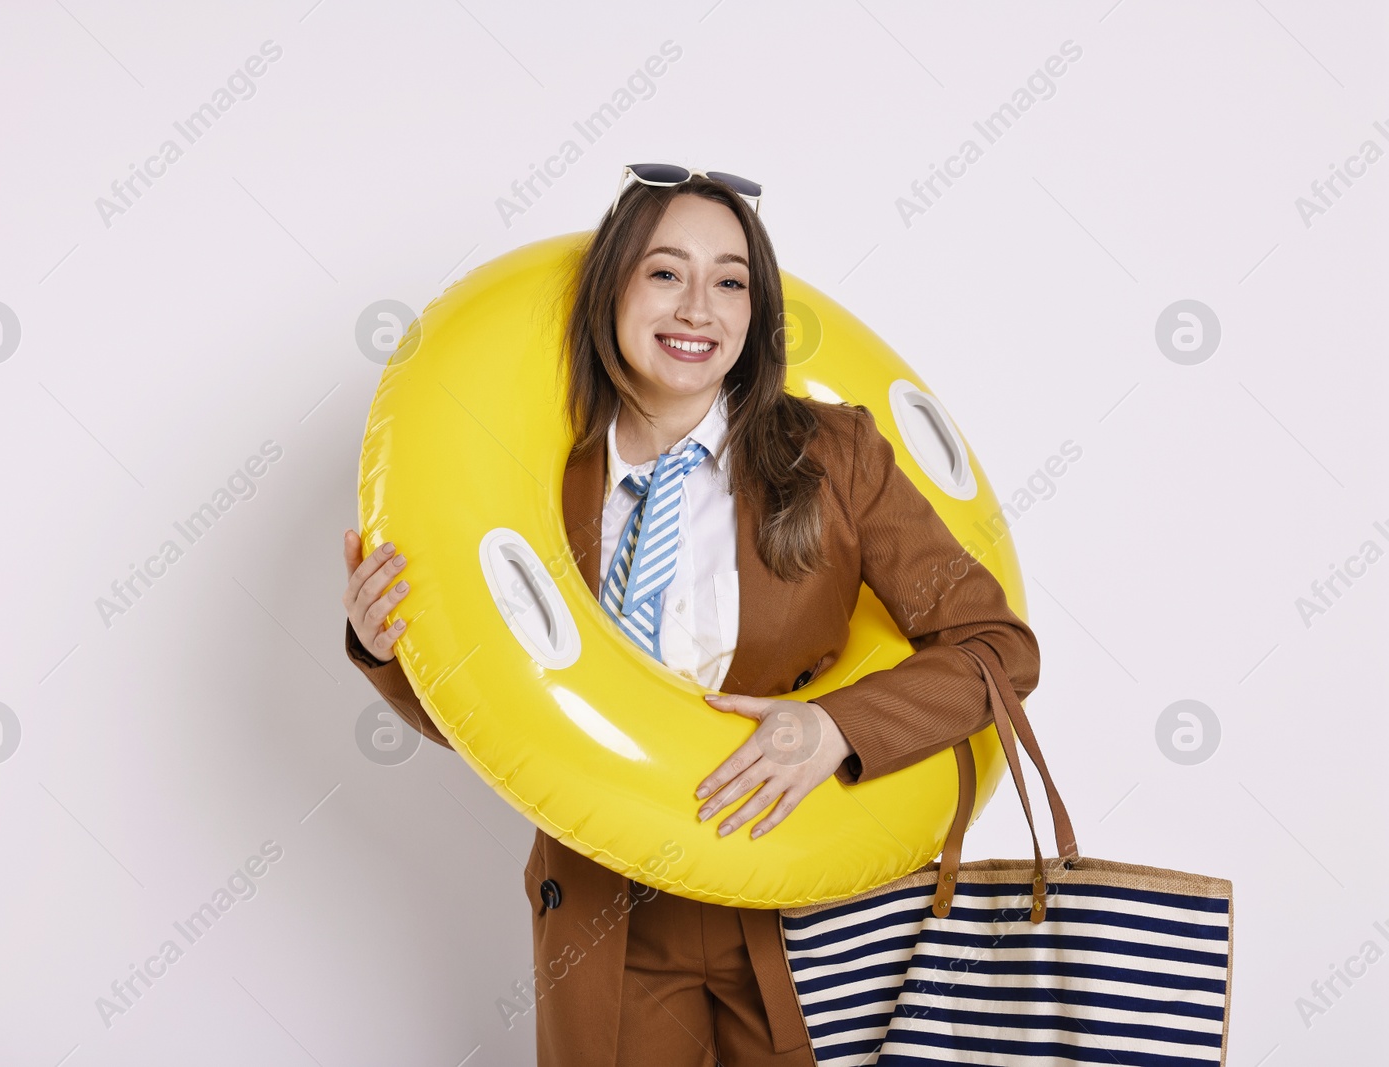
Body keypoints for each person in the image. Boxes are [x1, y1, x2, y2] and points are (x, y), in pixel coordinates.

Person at [341, 167, 1040, 1067]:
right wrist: (385, 648)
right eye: (665, 272)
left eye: (731, 280)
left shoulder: (838, 457)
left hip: (804, 901)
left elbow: (998, 648)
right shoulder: (535, 491)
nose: (698, 308)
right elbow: (505, 720)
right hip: (610, 913)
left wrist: (835, 726)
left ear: (757, 312)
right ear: (615, 292)